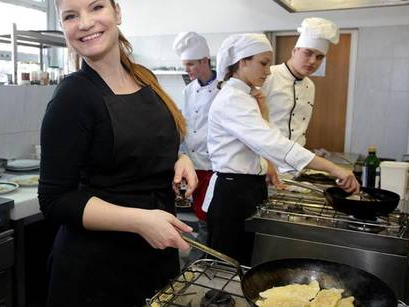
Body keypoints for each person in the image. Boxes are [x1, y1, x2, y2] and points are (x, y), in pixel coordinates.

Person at [38, 0, 197, 306]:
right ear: (63, 26)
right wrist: (140, 221)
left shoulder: (144, 78)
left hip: (153, 256)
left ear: (117, 12)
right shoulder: (74, 96)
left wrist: (179, 159)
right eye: (71, 16)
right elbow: (55, 199)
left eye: (96, 7)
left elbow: (146, 144)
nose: (84, 22)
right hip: (97, 270)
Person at [205, 33, 359, 265]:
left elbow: (260, 141)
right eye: (263, 63)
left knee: (243, 263)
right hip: (231, 194)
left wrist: (264, 115)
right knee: (225, 269)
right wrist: (333, 169)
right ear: (242, 61)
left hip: (248, 189)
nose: (268, 71)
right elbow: (273, 143)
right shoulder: (232, 99)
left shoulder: (246, 96)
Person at [172, 31, 218, 263]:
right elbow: (187, 124)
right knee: (198, 214)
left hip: (215, 165)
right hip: (194, 162)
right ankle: (200, 258)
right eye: (185, 65)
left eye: (190, 64)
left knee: (208, 216)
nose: (187, 70)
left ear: (204, 61)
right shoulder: (188, 90)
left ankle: (204, 258)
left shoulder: (225, 87)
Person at [262, 17, 340, 147]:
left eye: (319, 57)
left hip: (295, 156)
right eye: (308, 53)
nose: (312, 61)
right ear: (294, 51)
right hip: (267, 156)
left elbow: (300, 127)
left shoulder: (310, 86)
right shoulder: (269, 76)